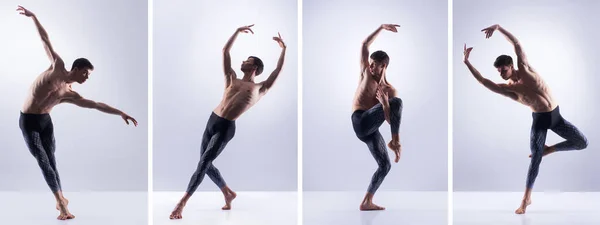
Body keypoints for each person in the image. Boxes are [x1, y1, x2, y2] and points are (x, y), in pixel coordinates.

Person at [16, 6, 139, 220]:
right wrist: (34, 17)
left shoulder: (71, 95)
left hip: (46, 121)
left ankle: (60, 199)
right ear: (77, 68)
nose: (87, 78)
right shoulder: (57, 67)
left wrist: (121, 112)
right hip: (28, 121)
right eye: (86, 73)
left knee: (51, 161)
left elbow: (96, 105)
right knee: (42, 160)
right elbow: (45, 40)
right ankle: (62, 205)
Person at [463, 24, 589, 214]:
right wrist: (467, 63)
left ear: (511, 65)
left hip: (556, 116)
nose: (500, 72)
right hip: (539, 120)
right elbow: (483, 81)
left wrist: (498, 28)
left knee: (581, 142)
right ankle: (526, 199)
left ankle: (550, 149)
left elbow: (516, 43)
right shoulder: (510, 89)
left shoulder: (525, 68)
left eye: (502, 69)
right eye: (498, 71)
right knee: (535, 159)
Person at [169, 24, 287, 220]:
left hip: (225, 128)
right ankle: (227, 193)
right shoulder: (231, 78)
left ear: (254, 67)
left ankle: (182, 203)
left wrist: (283, 49)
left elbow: (277, 70)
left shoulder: (259, 88)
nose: (243, 61)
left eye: (247, 61)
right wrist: (237, 32)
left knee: (204, 162)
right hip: (212, 120)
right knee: (203, 163)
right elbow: (225, 51)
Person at [351, 24, 403, 211]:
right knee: (397, 102)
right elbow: (365, 44)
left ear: (384, 66)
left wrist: (385, 104)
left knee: (385, 165)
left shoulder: (390, 90)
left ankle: (366, 201)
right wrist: (381, 28)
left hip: (371, 129)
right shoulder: (366, 73)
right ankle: (396, 143)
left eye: (375, 65)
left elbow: (390, 120)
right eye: (370, 63)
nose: (371, 66)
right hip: (360, 120)